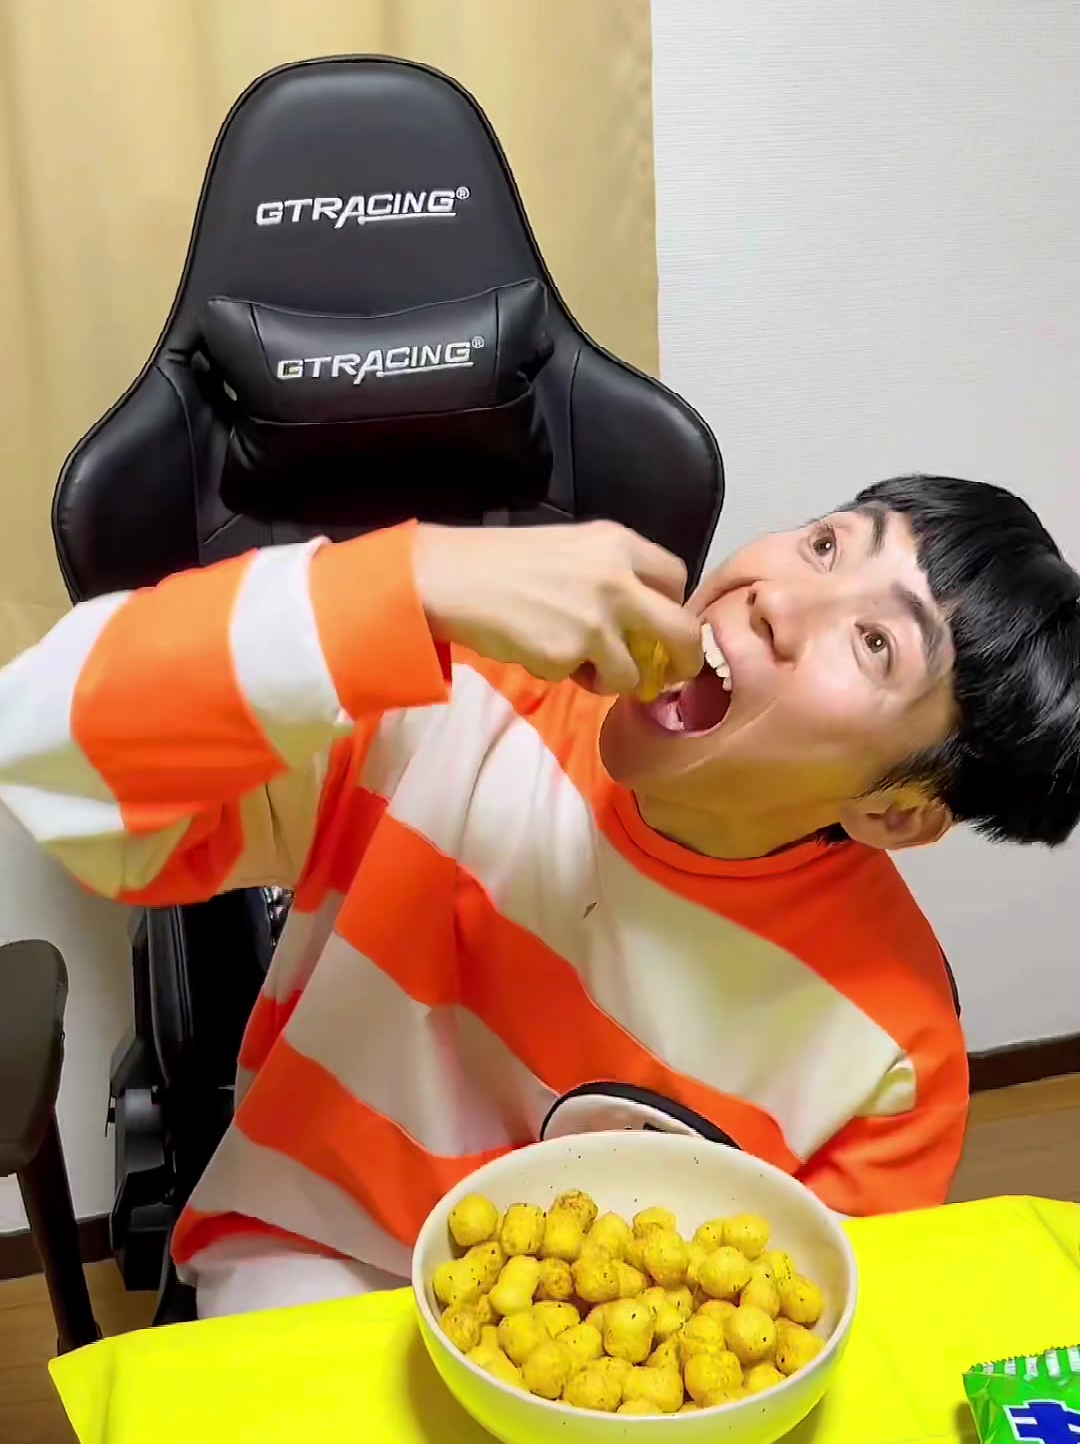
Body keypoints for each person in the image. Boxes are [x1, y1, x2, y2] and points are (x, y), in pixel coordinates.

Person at [3, 475, 1078, 1318]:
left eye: (875, 641)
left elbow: (808, 1337)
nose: (779, 600)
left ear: (896, 813)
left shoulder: (890, 1049)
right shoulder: (451, 704)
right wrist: (410, 584)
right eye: (827, 544)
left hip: (617, 1392)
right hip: (312, 1270)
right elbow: (42, 744)